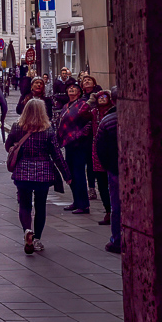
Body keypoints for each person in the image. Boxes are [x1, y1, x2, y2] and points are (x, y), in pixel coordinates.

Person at [4, 97, 70, 254]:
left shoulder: (17, 127)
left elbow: (8, 146)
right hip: (43, 173)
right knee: (40, 206)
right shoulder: (48, 130)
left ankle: (27, 230)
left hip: (22, 172)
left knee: (24, 205)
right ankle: (37, 238)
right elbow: (57, 155)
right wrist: (66, 174)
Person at [57, 82, 95, 213]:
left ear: (79, 93)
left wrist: (81, 134)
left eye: (74, 89)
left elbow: (89, 122)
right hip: (69, 143)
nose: (71, 90)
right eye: (69, 88)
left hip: (79, 144)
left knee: (79, 174)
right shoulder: (66, 106)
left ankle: (84, 204)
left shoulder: (83, 105)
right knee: (70, 173)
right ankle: (76, 201)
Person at [96, 97, 121, 253]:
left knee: (117, 206)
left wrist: (107, 166)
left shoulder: (107, 120)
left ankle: (117, 239)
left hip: (114, 168)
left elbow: (100, 147)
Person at [90, 90, 115, 223]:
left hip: (110, 150)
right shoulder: (94, 113)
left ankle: (114, 210)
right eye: (99, 97)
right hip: (97, 151)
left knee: (112, 182)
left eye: (105, 97)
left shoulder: (112, 112)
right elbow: (83, 113)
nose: (102, 99)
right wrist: (91, 100)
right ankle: (108, 210)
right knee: (102, 184)